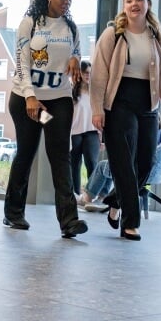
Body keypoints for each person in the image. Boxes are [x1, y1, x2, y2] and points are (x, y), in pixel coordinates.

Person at [89, 0, 161, 241]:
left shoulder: (157, 38)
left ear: (148, 5)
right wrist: (97, 110)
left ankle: (115, 201)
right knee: (123, 163)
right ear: (124, 7)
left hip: (147, 103)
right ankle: (131, 223)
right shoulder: (113, 34)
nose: (134, 4)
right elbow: (98, 76)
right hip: (118, 103)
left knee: (146, 163)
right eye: (129, 0)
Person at [3, 0, 89, 239]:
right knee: (26, 153)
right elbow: (22, 64)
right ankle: (13, 213)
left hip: (57, 100)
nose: (67, 2)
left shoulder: (70, 27)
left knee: (60, 155)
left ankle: (69, 221)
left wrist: (76, 58)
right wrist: (30, 97)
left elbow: (76, 52)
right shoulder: (30, 24)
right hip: (27, 99)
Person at [69, 59, 101, 209]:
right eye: (85, 72)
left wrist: (102, 137)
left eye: (90, 72)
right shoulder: (71, 91)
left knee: (92, 164)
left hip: (92, 132)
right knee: (74, 165)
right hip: (74, 133)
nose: (88, 75)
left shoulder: (95, 92)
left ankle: (90, 196)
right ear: (79, 73)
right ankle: (75, 196)